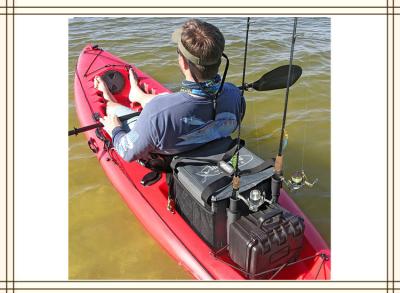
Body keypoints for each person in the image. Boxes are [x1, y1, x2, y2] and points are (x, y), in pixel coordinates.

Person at [95, 18, 245, 163]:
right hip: (200, 131)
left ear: (184, 63)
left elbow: (127, 153)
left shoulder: (157, 112)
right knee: (165, 100)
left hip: (170, 151)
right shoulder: (235, 94)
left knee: (112, 108)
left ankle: (109, 99)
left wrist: (115, 130)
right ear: (220, 60)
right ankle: (138, 94)